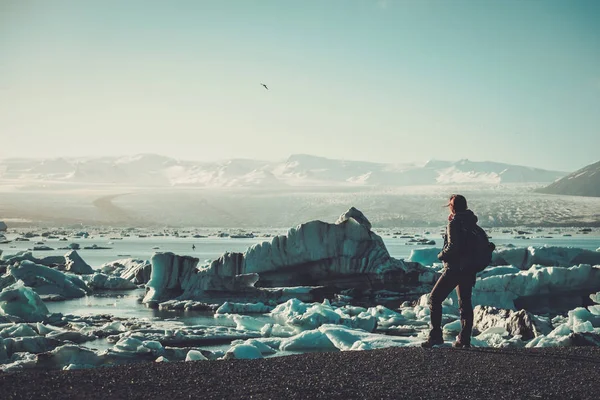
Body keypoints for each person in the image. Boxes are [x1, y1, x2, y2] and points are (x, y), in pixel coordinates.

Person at [421, 194, 477, 348]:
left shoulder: (455, 223)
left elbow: (454, 247)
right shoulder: (471, 222)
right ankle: (464, 340)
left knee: (434, 299)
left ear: (453, 207)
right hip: (468, 269)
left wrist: (441, 255)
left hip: (454, 268)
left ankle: (436, 337)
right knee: (465, 303)